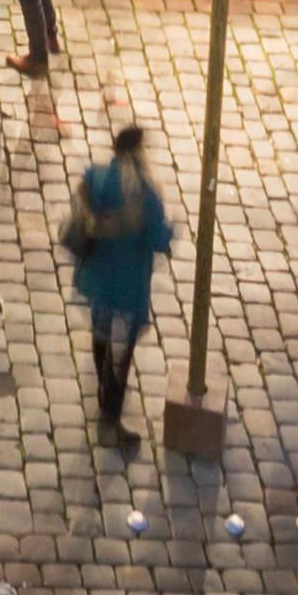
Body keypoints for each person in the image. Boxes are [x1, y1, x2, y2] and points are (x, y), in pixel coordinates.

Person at [64, 119, 174, 441]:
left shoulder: (95, 177)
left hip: (97, 279)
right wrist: (172, 230)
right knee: (122, 354)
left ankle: (102, 390)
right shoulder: (147, 195)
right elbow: (158, 240)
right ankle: (111, 414)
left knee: (100, 336)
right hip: (129, 288)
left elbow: (80, 211)